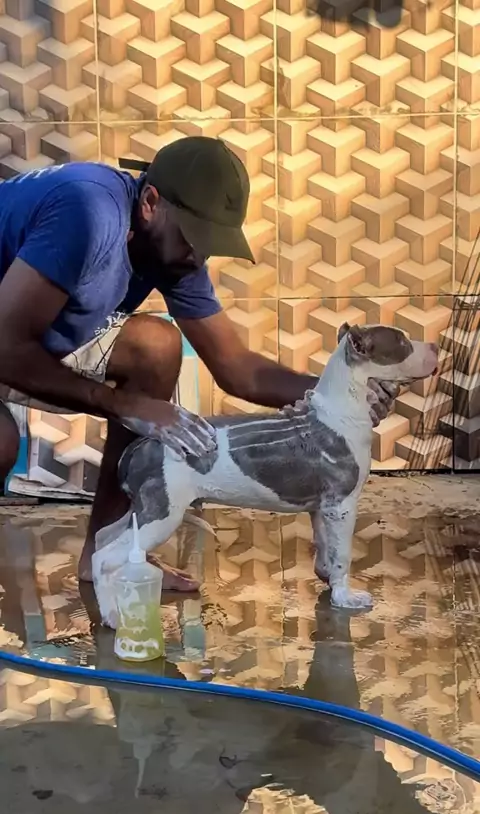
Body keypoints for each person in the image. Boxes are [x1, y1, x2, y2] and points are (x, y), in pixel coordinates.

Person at [0, 136, 397, 590]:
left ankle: (108, 557)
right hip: (7, 337)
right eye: (195, 238)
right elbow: (6, 348)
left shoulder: (173, 254)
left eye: (211, 243)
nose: (199, 256)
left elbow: (237, 369)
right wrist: (121, 403)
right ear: (151, 203)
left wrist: (346, 391)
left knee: (155, 346)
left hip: (26, 335)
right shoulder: (86, 210)